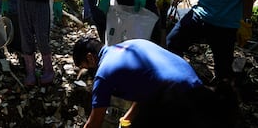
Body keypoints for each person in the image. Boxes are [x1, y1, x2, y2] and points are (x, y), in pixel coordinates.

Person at [73, 37, 237, 128]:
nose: (89, 70)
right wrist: (127, 119)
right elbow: (148, 87)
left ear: (89, 57)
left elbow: (95, 122)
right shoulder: (133, 43)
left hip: (173, 97)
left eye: (85, 66)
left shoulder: (103, 73)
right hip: (194, 86)